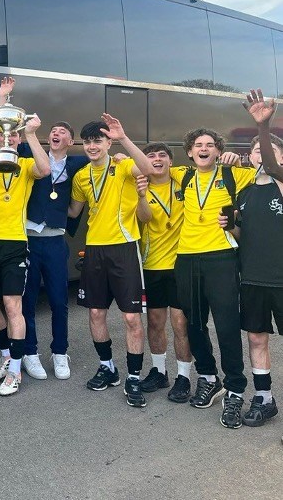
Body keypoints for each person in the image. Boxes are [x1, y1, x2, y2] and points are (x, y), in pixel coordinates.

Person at [0, 81, 50, 397]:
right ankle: (6, 354)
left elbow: (46, 169)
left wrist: (32, 134)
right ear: (0, 136)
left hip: (15, 243)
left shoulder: (26, 165)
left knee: (13, 306)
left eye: (14, 134)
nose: (10, 137)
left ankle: (15, 370)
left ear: (17, 137)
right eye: (7, 134)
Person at [68, 115, 154, 408]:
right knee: (95, 314)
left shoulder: (123, 165)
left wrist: (124, 139)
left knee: (131, 318)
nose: (92, 146)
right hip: (94, 249)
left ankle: (133, 377)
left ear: (108, 143)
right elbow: (73, 211)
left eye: (98, 141)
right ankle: (107, 367)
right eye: (87, 141)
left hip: (124, 248)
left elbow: (148, 168)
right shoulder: (81, 175)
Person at [170, 126, 254, 427]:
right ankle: (208, 377)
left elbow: (270, 171)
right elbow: (147, 165)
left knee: (226, 326)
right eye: (197, 144)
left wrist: (240, 160)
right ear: (190, 151)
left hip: (222, 258)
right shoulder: (183, 176)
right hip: (187, 258)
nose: (203, 148)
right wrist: (122, 144)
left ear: (218, 150)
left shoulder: (234, 174)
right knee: (193, 323)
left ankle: (235, 389)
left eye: (209, 144)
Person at [17, 119, 88, 381]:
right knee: (28, 300)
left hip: (56, 241)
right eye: (53, 131)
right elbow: (8, 136)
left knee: (59, 301)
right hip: (30, 239)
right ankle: (30, 352)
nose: (56, 134)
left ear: (70, 141)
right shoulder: (29, 153)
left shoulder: (77, 163)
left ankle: (60, 352)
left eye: (63, 132)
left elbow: (103, 158)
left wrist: (120, 156)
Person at [235, 89, 283, 430]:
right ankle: (264, 399)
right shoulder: (244, 191)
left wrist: (263, 128)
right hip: (252, 277)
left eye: (267, 151)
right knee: (255, 338)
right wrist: (230, 225)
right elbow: (242, 237)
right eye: (254, 151)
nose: (261, 156)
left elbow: (272, 166)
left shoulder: (281, 182)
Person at [134, 143, 193, 403]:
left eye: (162, 156)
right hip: (152, 265)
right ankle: (159, 372)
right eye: (151, 156)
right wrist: (141, 196)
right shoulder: (140, 185)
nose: (156, 159)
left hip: (180, 265)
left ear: (170, 161)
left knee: (180, 324)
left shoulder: (183, 180)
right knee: (156, 323)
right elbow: (145, 218)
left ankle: (184, 376)